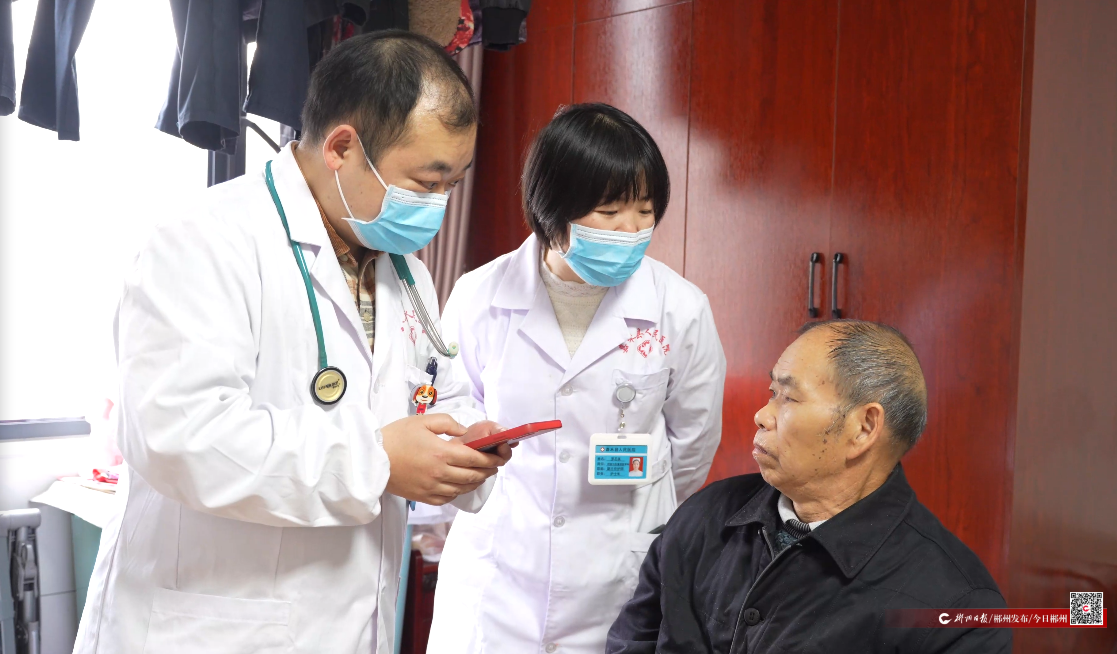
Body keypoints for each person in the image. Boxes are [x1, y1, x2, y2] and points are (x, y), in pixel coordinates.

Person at [74, 32, 513, 654]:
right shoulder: (205, 240)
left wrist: (462, 447)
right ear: (341, 147)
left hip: (348, 623)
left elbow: (437, 392)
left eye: (453, 185)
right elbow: (178, 437)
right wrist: (377, 461)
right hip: (213, 628)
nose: (438, 205)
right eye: (425, 182)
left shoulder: (406, 272)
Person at [428, 103, 727, 654]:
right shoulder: (480, 295)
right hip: (499, 577)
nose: (632, 229)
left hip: (618, 578)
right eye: (610, 210)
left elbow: (693, 444)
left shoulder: (680, 308)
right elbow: (449, 409)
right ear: (552, 207)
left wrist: (636, 519)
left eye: (645, 210)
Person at [606, 320, 1012, 654]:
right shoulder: (705, 516)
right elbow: (633, 640)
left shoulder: (958, 608)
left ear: (864, 427)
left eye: (788, 398)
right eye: (772, 392)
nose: (762, 415)